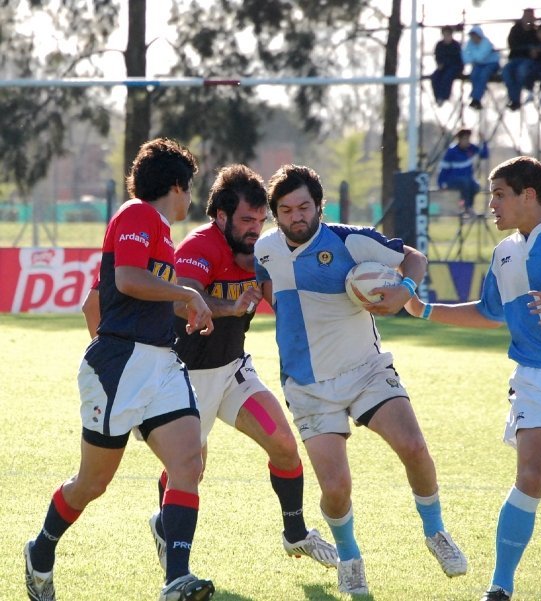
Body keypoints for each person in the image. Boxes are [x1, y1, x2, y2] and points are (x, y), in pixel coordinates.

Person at [254, 164, 467, 595]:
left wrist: (405, 288)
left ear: (319, 206)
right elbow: (265, 294)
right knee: (335, 488)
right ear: (275, 213)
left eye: (304, 207)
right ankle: (350, 557)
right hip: (308, 385)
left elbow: (415, 258)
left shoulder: (351, 239)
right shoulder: (264, 251)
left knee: (414, 446)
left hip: (367, 370)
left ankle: (436, 532)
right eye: (287, 209)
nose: (296, 216)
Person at [24, 138, 216, 601]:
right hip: (121, 366)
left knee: (189, 460)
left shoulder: (162, 234)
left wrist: (183, 309)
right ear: (176, 185)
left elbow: (98, 299)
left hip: (160, 364)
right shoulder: (137, 214)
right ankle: (40, 550)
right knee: (92, 483)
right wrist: (187, 296)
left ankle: (176, 579)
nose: (190, 199)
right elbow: (128, 281)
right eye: (189, 188)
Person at [405, 155, 541, 601]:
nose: (490, 205)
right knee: (531, 476)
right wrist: (427, 310)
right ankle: (500, 587)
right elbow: (490, 313)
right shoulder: (504, 253)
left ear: (528, 195)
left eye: (499, 195)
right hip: (535, 380)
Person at [147, 164, 338, 572]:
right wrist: (228, 306)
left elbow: (286, 291)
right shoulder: (201, 246)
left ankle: (296, 534)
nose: (255, 228)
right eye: (246, 220)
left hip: (233, 371)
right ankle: (168, 536)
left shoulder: (264, 251)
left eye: (260, 220)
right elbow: (184, 298)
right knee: (188, 470)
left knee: (285, 446)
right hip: (185, 379)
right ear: (220, 216)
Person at [437, 128, 489, 215]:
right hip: (452, 180)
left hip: (467, 180)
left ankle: (468, 207)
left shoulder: (471, 148)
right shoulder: (451, 151)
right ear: (460, 139)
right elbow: (444, 168)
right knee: (464, 182)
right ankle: (466, 207)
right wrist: (441, 183)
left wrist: (483, 141)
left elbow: (484, 155)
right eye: (465, 139)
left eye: (468, 138)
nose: (467, 141)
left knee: (475, 186)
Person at [501, 8, 539, 111]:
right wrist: (527, 48)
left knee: (521, 72)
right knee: (506, 72)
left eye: (530, 16)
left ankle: (515, 100)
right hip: (514, 59)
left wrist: (531, 51)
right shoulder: (515, 30)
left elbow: (537, 50)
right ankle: (514, 99)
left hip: (527, 61)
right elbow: (512, 44)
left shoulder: (535, 32)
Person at [461, 25, 500, 110]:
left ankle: (476, 98)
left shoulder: (486, 43)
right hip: (478, 65)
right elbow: (465, 57)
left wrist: (472, 57)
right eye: (472, 35)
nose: (473, 37)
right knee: (474, 75)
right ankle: (476, 98)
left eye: (474, 35)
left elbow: (480, 57)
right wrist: (473, 58)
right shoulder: (469, 43)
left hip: (491, 63)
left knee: (483, 75)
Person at [430, 25, 464, 106]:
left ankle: (444, 96)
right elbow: (437, 56)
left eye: (448, 34)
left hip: (455, 67)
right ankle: (437, 97)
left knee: (447, 77)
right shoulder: (439, 45)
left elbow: (458, 59)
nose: (446, 36)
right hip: (443, 67)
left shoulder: (456, 45)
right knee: (435, 76)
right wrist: (439, 64)